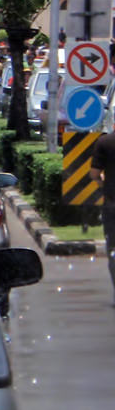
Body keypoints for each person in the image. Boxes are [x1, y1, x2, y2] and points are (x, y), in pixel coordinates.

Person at [88, 127, 115, 303]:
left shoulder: (105, 142)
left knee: (113, 249)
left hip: (112, 205)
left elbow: (95, 174)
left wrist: (102, 185)